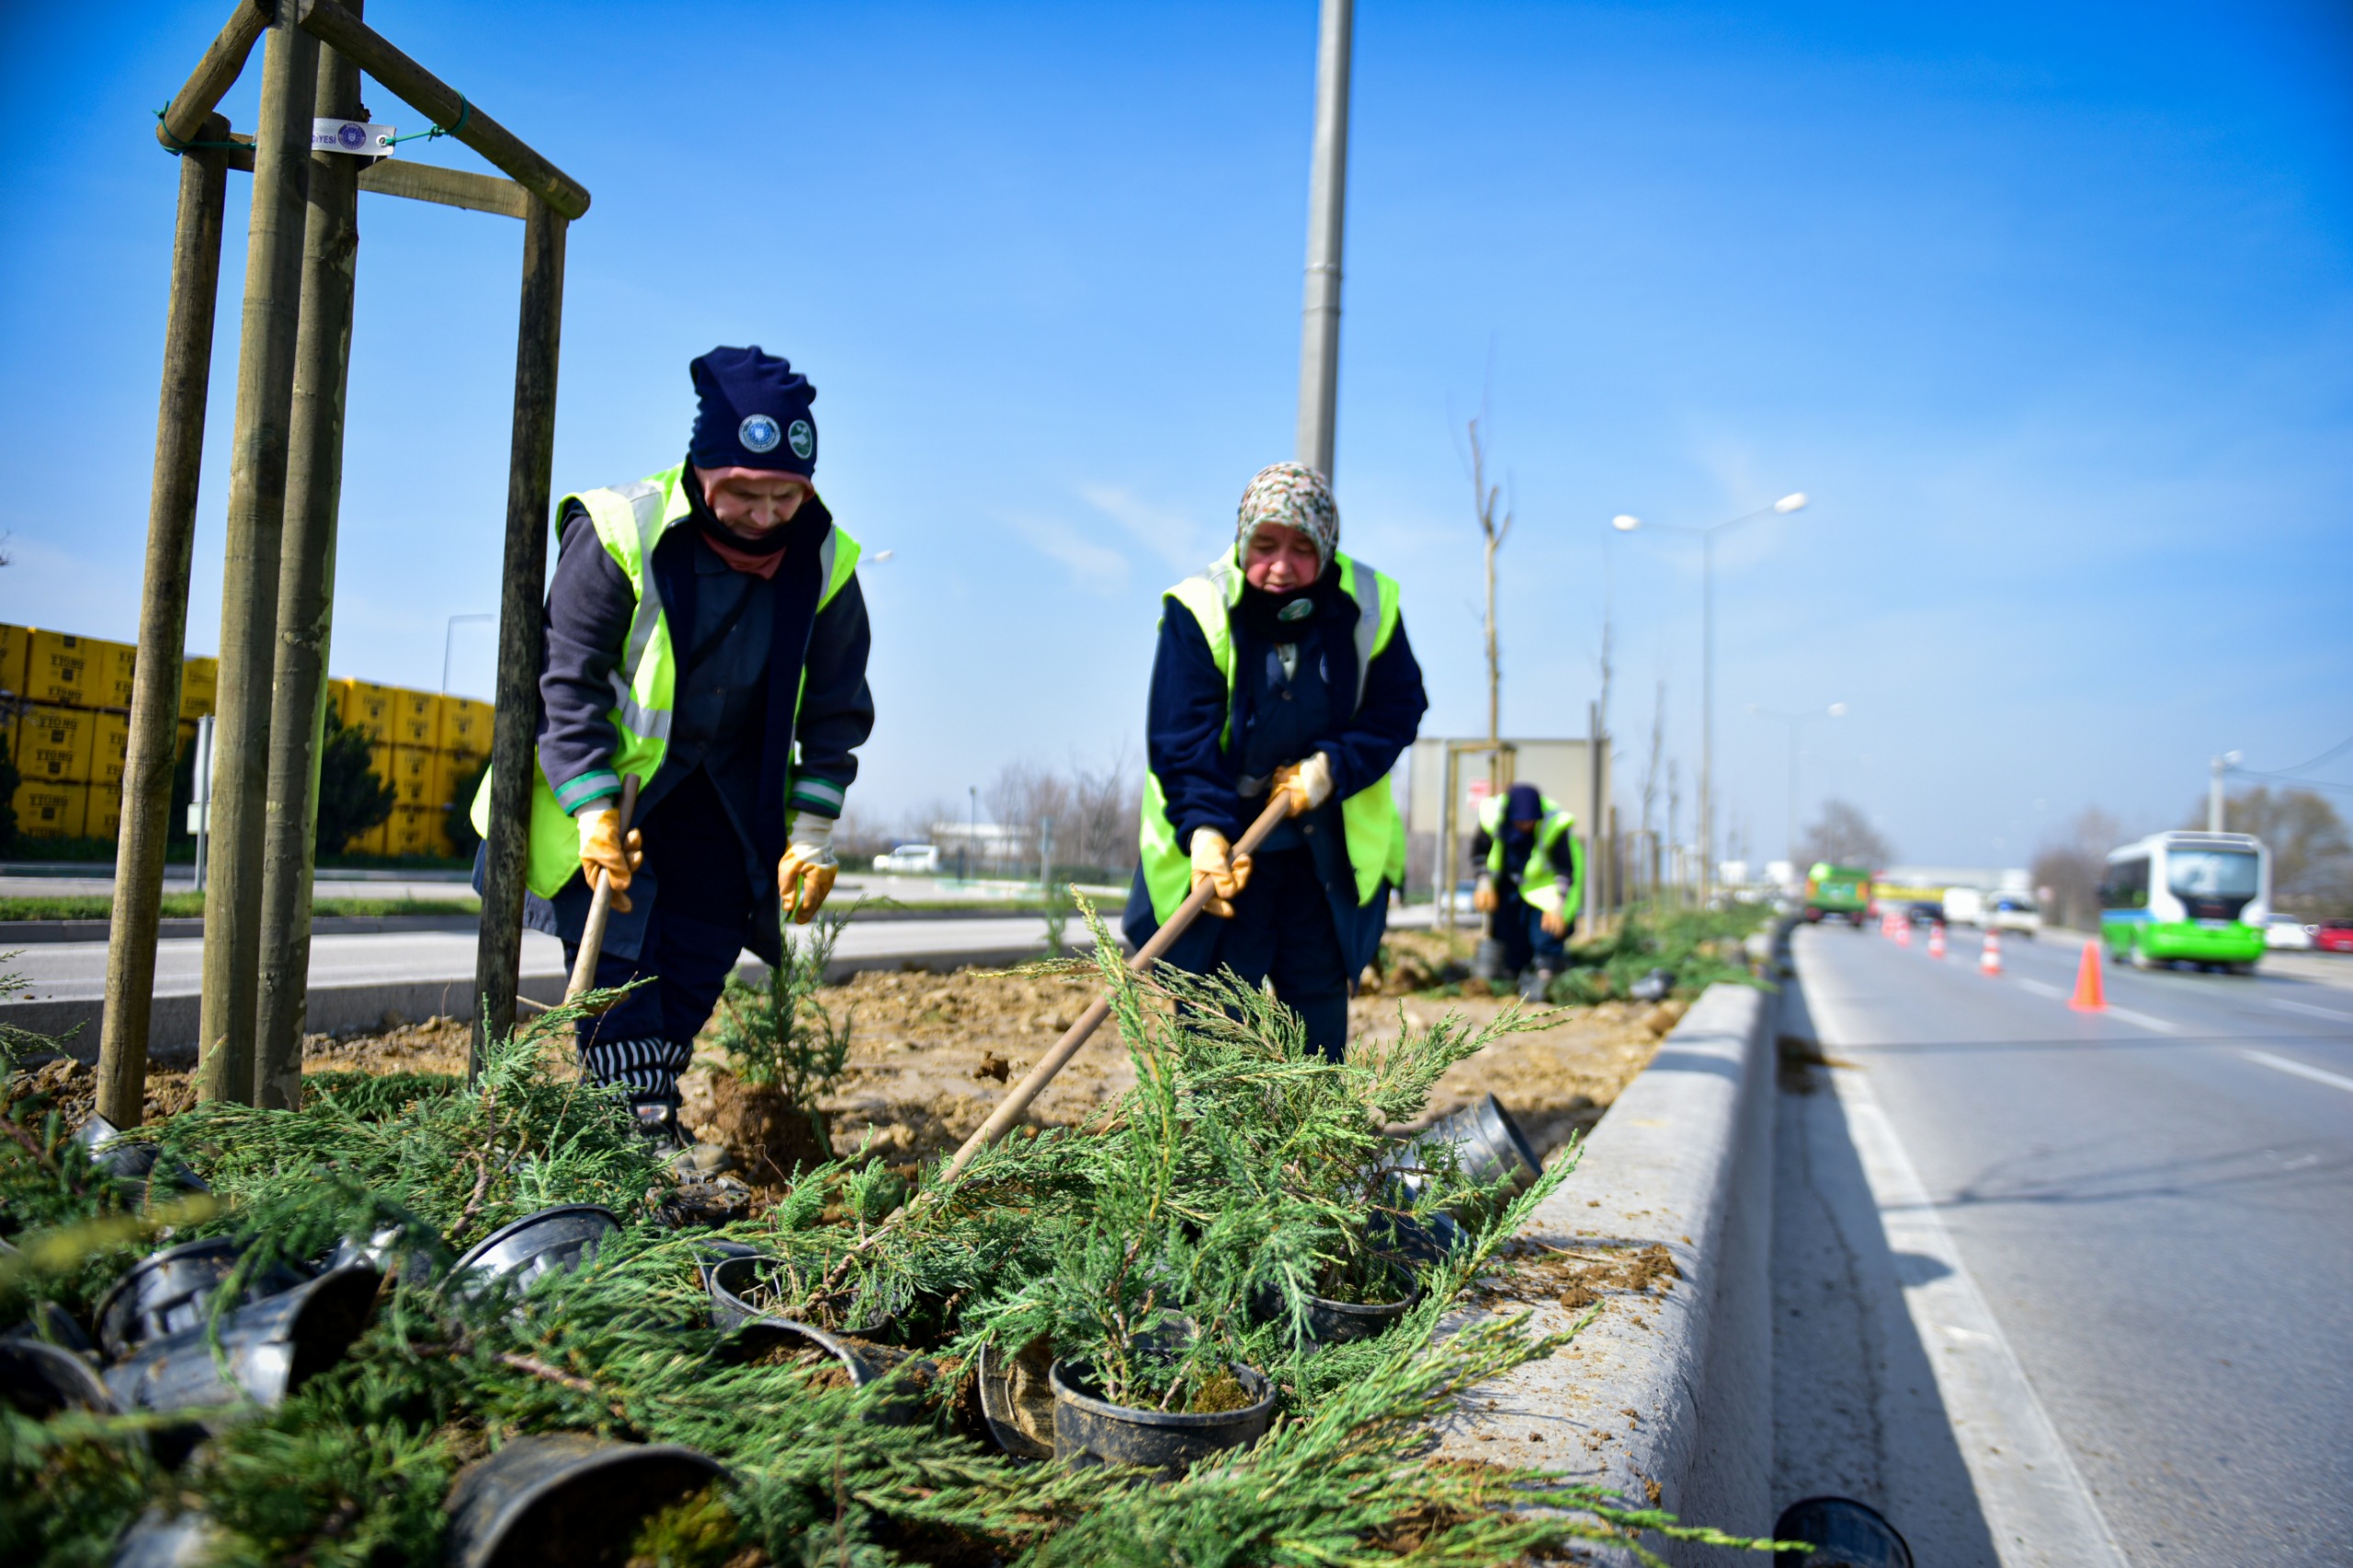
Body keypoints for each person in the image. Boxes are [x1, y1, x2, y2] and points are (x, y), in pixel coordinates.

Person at [472, 347, 873, 1141]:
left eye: (784, 496)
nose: (764, 517)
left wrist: (812, 834)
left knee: (695, 967)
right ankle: (641, 1132)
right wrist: (590, 806)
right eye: (743, 494)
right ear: (703, 471)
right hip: (607, 802)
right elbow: (566, 682)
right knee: (618, 974)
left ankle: (629, 1124)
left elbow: (835, 712)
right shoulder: (620, 530)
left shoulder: (826, 562)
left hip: (725, 808)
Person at [1124, 461, 1427, 1061]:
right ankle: (1218, 1145)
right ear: (1242, 541)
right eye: (1264, 546)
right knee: (1218, 1007)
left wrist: (1332, 767)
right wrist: (1205, 832)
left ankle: (1310, 1145)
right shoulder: (1200, 607)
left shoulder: (1369, 605)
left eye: (1301, 548)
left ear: (1328, 550)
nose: (1281, 566)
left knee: (1314, 1001)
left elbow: (1398, 710)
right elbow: (1181, 737)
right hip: (1231, 851)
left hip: (1321, 855)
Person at [1470, 783, 1583, 998]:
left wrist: (1560, 904)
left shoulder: (1554, 826)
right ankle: (1513, 972)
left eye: (1531, 821)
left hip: (1543, 890)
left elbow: (1565, 870)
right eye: (1521, 822)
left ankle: (1547, 972)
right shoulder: (1492, 819)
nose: (1526, 826)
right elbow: (1479, 852)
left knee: (1545, 932)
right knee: (1506, 929)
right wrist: (1484, 881)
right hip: (1506, 886)